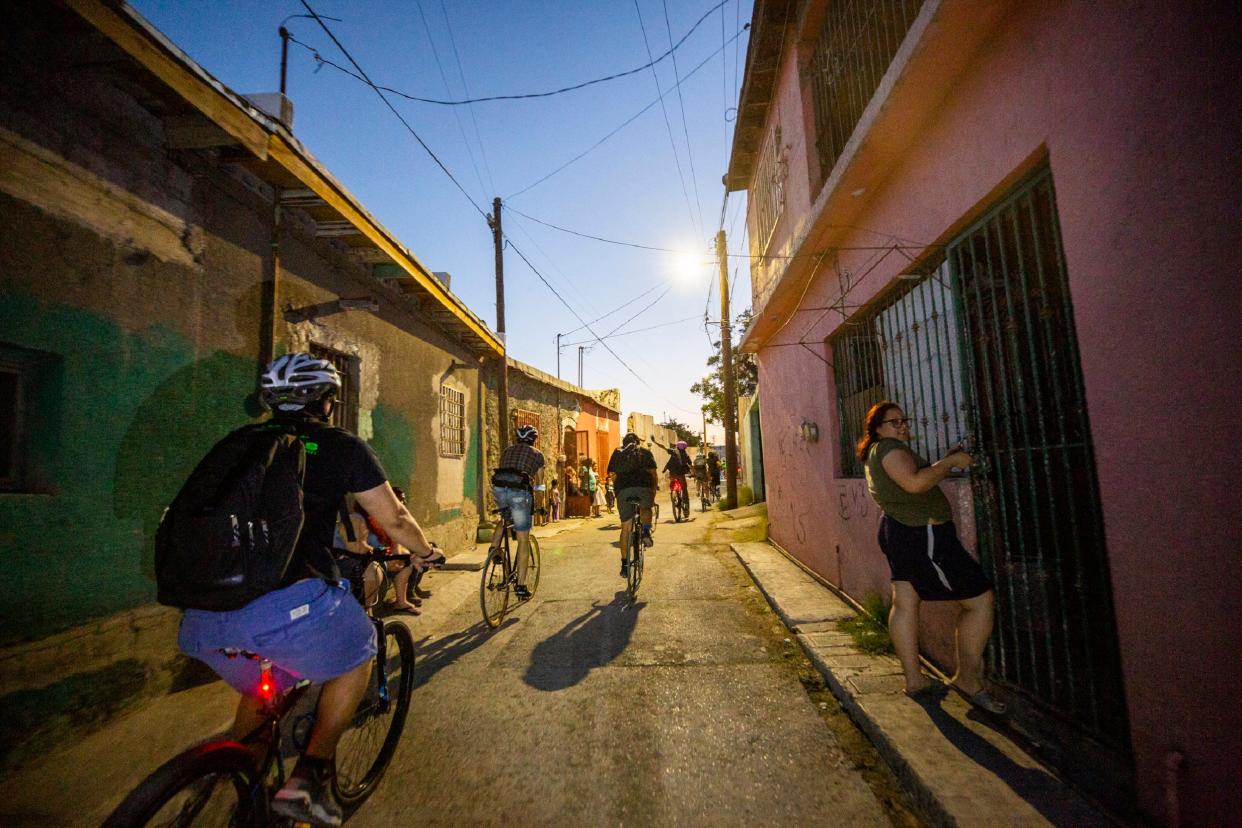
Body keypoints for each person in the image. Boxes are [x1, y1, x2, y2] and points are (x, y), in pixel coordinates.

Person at [176, 352, 444, 826]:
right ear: (325, 401)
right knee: (359, 651)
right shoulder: (339, 446)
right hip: (284, 604)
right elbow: (395, 518)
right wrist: (423, 552)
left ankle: (237, 776)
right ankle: (313, 777)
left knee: (269, 684)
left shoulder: (240, 441)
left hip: (203, 615)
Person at [858, 400, 1006, 714]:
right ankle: (967, 679)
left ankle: (915, 680)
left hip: (901, 530)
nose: (901, 426)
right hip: (923, 535)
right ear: (877, 429)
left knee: (906, 602)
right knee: (979, 599)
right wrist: (949, 463)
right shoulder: (888, 449)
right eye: (893, 422)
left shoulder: (878, 452)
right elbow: (915, 483)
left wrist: (943, 462)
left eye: (903, 420)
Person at [491, 424, 545, 600]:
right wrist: (541, 504)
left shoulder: (507, 451)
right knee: (523, 539)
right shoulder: (537, 454)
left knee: (505, 517)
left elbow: (504, 470)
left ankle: (494, 550)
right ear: (533, 439)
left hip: (499, 488)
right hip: (519, 492)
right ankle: (521, 586)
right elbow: (539, 483)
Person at [607, 432, 658, 577]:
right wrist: (652, 494)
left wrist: (619, 491)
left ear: (624, 442)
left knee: (626, 527)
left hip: (624, 491)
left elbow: (613, 475)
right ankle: (646, 532)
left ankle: (624, 565)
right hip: (643, 488)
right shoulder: (645, 452)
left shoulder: (617, 453)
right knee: (646, 508)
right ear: (638, 442)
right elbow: (654, 474)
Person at [663, 440, 692, 514]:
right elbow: (690, 465)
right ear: (685, 447)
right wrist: (693, 473)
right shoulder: (686, 455)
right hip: (681, 475)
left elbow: (663, 447)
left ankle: (673, 496)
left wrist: (655, 442)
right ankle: (686, 507)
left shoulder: (673, 451)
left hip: (672, 474)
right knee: (684, 489)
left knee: (672, 485)